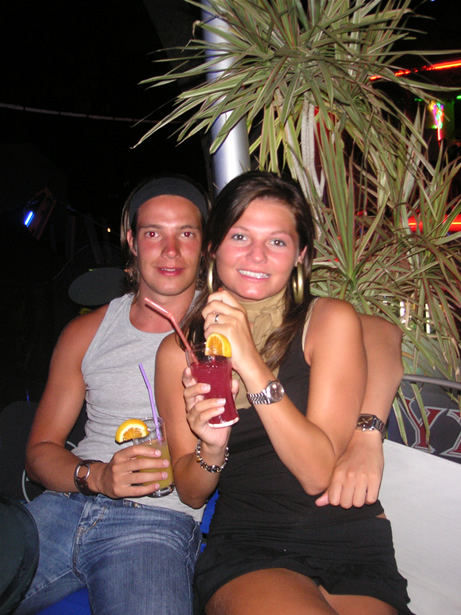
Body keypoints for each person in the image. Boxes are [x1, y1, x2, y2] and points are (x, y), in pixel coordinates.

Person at [155, 170, 412, 615]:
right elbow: (191, 493)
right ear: (213, 247)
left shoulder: (328, 321)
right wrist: (211, 448)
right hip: (251, 546)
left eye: (277, 241)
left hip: (351, 538)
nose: (257, 255)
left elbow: (316, 472)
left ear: (300, 255)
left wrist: (251, 363)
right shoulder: (178, 352)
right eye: (240, 236)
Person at [16, 175, 210, 615]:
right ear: (132, 242)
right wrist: (97, 476)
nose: (171, 250)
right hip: (63, 507)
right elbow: (40, 452)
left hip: (157, 522)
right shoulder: (86, 332)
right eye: (153, 233)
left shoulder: (224, 328)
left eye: (186, 233)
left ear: (205, 246)